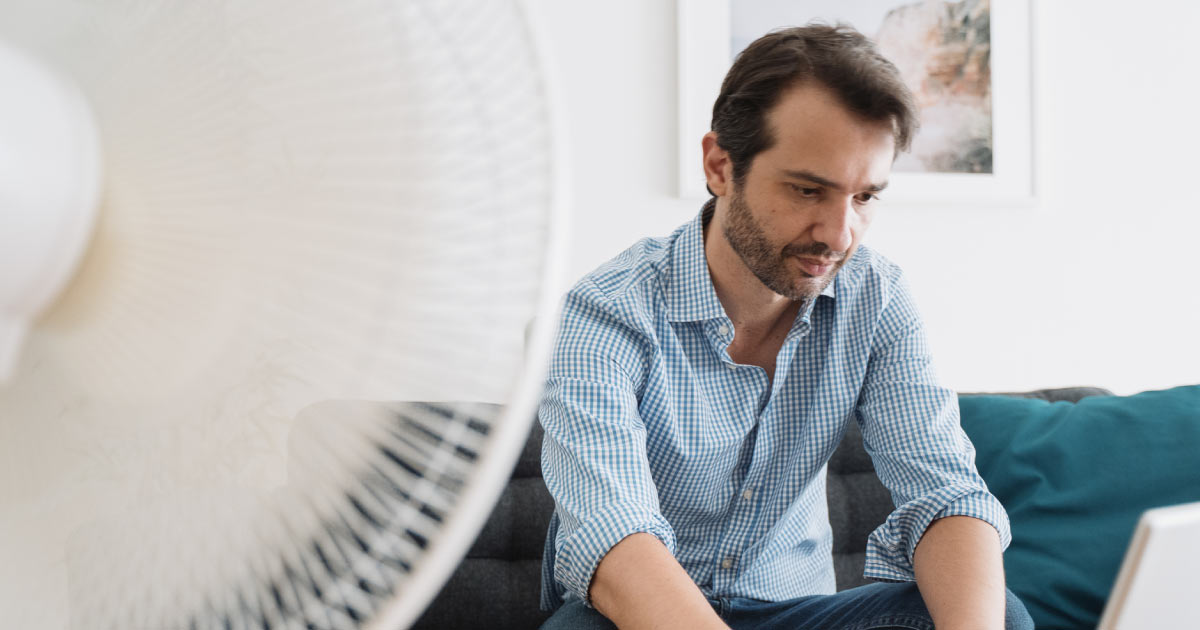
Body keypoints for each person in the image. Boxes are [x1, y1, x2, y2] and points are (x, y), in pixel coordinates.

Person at [536, 24, 1034, 630]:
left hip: (798, 612)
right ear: (720, 166)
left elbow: (944, 492)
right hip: (640, 613)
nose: (839, 234)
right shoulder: (604, 312)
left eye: (864, 198)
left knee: (996, 613)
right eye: (807, 190)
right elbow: (613, 530)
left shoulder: (875, 298)